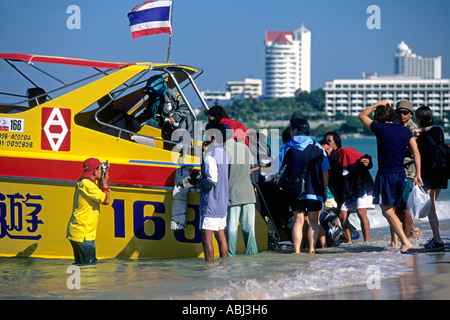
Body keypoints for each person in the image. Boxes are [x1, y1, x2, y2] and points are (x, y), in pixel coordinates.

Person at [359, 101, 422, 253]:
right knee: (393, 209)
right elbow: (416, 153)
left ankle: (405, 241)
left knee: (387, 211)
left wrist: (378, 104)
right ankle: (395, 243)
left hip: (386, 174)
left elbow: (362, 115)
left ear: (379, 116)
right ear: (393, 115)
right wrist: (418, 174)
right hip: (401, 174)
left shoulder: (379, 128)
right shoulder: (405, 131)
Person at [278, 118, 330, 254]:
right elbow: (325, 171)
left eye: (291, 129)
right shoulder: (318, 147)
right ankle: (312, 249)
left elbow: (278, 170)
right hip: (315, 190)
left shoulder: (287, 147)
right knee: (314, 222)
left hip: (296, 192)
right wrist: (324, 190)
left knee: (298, 221)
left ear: (295, 130)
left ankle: (296, 251)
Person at [222, 125, 258, 257]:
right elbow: (251, 166)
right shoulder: (244, 148)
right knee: (249, 229)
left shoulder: (224, 150)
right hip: (248, 192)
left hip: (232, 193)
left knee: (231, 229)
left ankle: (230, 257)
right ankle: (252, 257)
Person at [195, 125, 229, 262]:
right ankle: (225, 266)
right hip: (222, 201)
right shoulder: (223, 154)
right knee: (221, 236)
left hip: (211, 202)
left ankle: (209, 270)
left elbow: (212, 179)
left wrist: (199, 183)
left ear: (213, 137)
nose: (204, 136)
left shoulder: (210, 156)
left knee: (206, 237)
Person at [66, 158, 110, 265]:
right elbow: (105, 200)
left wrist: (100, 180)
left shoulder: (83, 181)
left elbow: (97, 193)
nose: (101, 171)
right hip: (83, 234)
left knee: (84, 265)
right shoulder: (88, 185)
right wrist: (105, 184)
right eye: (100, 169)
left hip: (81, 232)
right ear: (95, 171)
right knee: (87, 267)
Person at [415, 106, 447, 251]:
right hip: (441, 172)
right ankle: (436, 238)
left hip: (428, 174)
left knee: (431, 208)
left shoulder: (420, 136)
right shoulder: (438, 130)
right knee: (431, 205)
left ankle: (438, 240)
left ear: (419, 119)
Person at [137, 75, 194, 150]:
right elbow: (148, 112)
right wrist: (136, 121)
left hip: (180, 132)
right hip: (167, 132)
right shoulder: (154, 99)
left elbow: (186, 106)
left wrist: (174, 117)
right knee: (168, 153)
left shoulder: (172, 94)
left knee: (180, 154)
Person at [395, 100, 423, 240]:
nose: (402, 115)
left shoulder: (414, 129)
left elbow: (417, 153)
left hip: (409, 172)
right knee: (394, 206)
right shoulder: (395, 126)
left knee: (404, 205)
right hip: (396, 170)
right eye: (399, 112)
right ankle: (412, 230)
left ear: (411, 114)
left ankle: (406, 239)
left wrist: (418, 175)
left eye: (405, 112)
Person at [336, 147, 374, 242]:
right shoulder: (335, 161)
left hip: (363, 188)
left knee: (361, 212)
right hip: (348, 191)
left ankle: (366, 241)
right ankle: (349, 240)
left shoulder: (355, 157)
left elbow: (367, 161)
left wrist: (367, 161)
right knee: (342, 215)